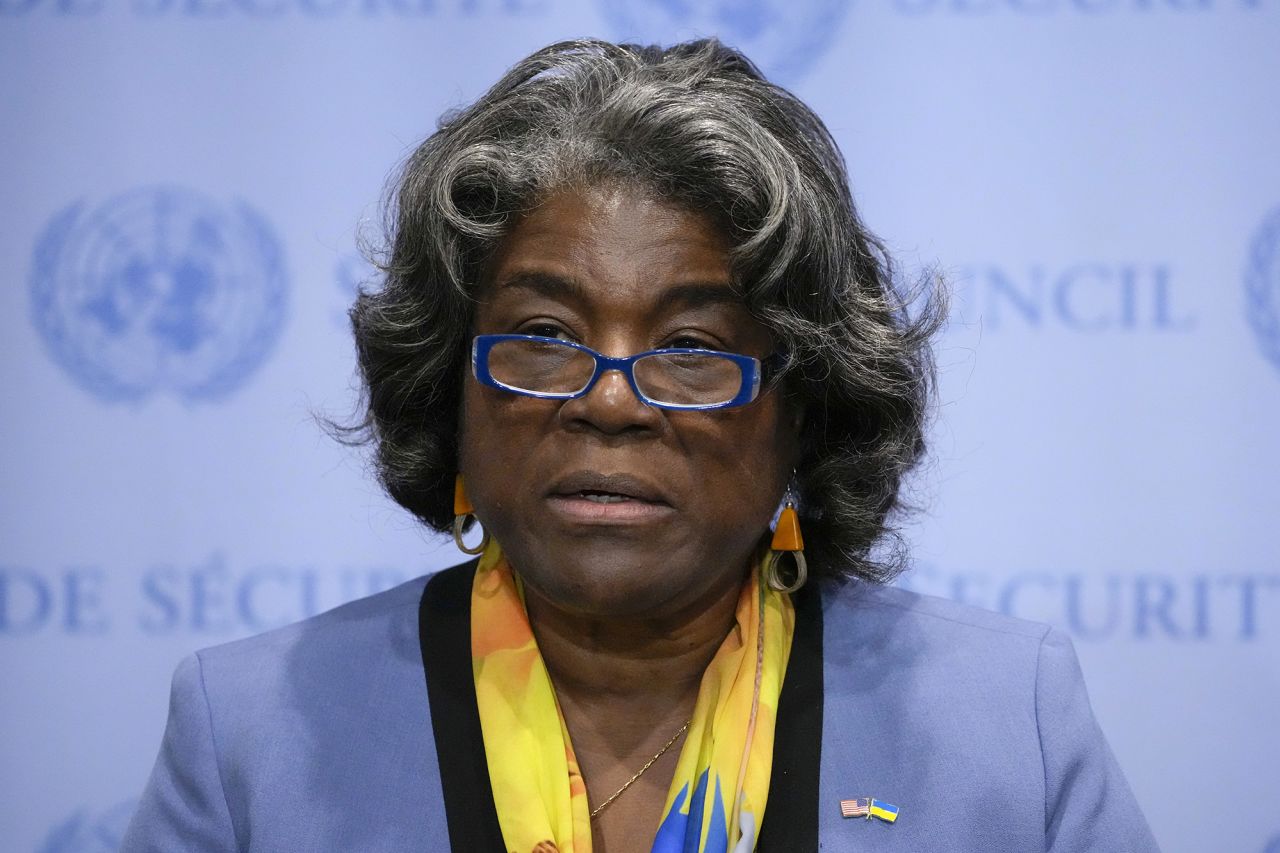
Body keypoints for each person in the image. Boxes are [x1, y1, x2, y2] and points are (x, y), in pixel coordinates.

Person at [122, 38, 1160, 853]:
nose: (610, 403)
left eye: (691, 345)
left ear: (803, 407)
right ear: (449, 390)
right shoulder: (251, 731)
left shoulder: (1001, 722)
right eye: (543, 336)